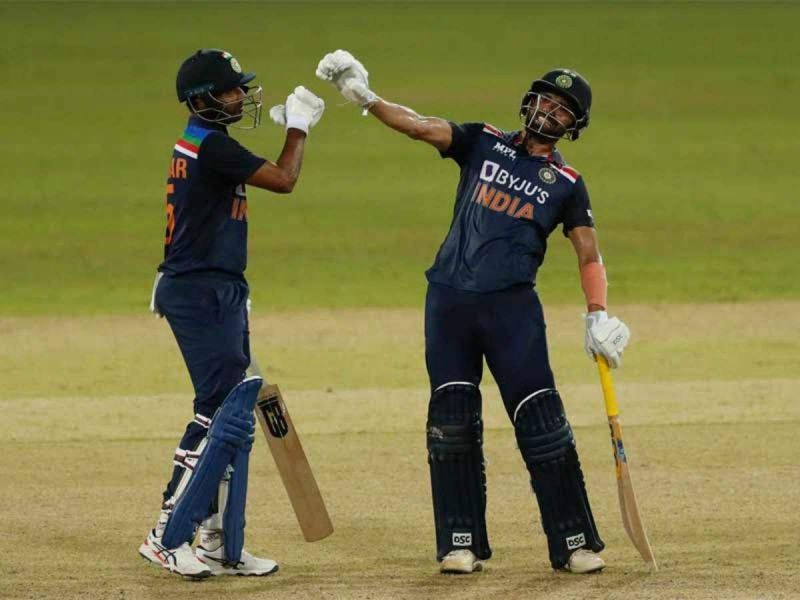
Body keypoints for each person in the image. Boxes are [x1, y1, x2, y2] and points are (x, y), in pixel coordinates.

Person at [316, 50, 630, 575]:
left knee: (543, 426)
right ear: (529, 101)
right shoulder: (482, 141)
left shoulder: (568, 183)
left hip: (512, 312)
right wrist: (368, 99)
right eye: (546, 100)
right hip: (449, 303)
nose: (550, 112)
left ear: (575, 126)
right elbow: (420, 127)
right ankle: (459, 542)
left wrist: (597, 313)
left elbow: (588, 254)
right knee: (452, 424)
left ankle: (574, 542)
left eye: (563, 109)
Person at [139, 48, 325, 579]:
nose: (241, 97)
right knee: (217, 413)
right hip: (198, 291)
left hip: (213, 287)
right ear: (202, 99)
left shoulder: (199, 140)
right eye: (230, 91)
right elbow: (285, 180)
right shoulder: (212, 145)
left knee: (233, 415)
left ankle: (219, 542)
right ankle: (165, 534)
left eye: (240, 87)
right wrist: (299, 128)